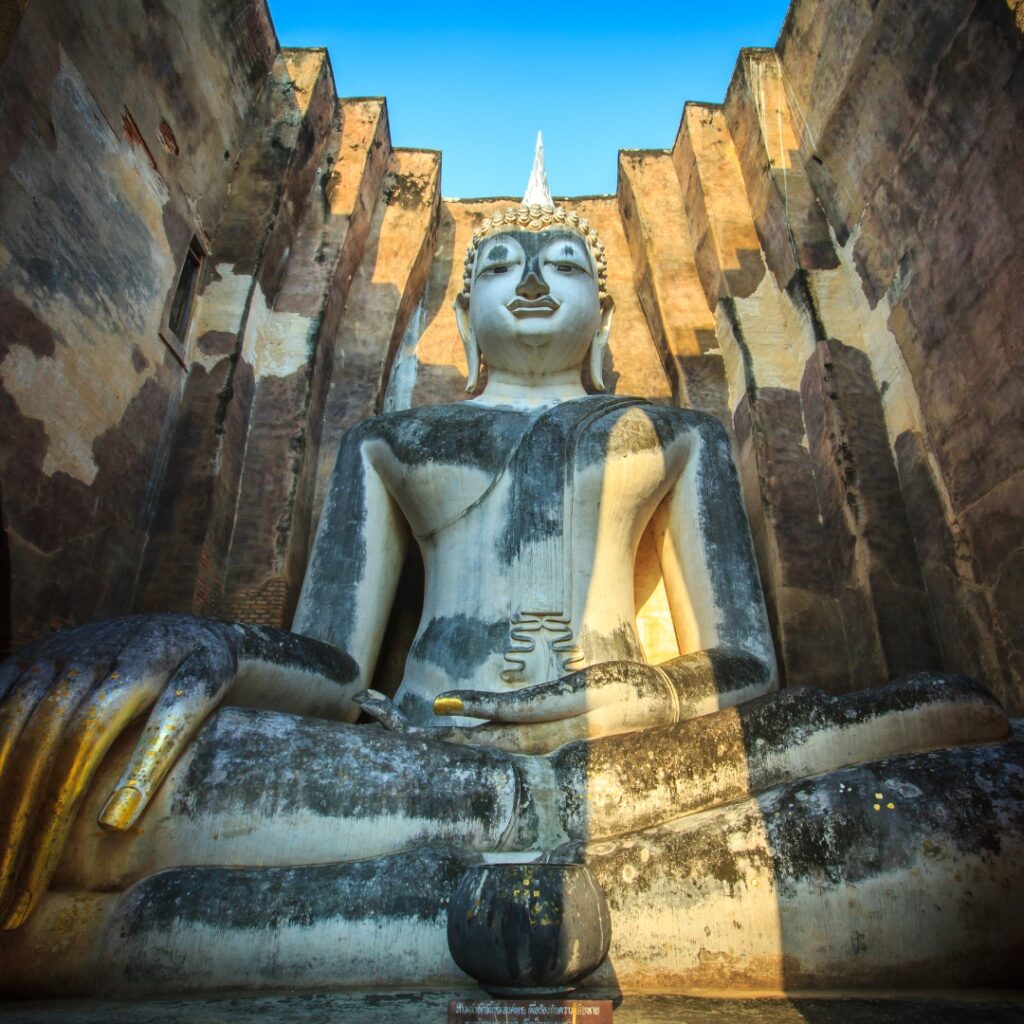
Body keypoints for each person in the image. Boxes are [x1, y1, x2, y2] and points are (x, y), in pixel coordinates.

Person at [0, 181, 1020, 997]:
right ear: (462, 308)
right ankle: (597, 906)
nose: (530, 282)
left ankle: (374, 920)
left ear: (605, 307)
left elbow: (746, 665)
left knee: (965, 738)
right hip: (424, 764)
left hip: (639, 760)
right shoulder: (390, 443)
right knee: (105, 751)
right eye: (498, 265)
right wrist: (201, 642)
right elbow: (334, 664)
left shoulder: (673, 433)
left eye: (562, 264)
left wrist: (631, 696)